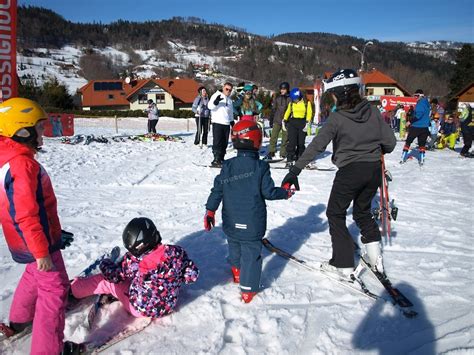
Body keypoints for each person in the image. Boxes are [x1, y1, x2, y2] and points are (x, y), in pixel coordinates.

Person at [281, 69, 396, 277]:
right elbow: (390, 143)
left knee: (335, 213)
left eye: (332, 94)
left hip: (350, 171)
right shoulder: (373, 111)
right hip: (372, 171)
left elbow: (317, 145)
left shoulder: (337, 118)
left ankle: (342, 264)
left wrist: (295, 170)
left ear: (340, 93)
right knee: (362, 212)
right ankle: (375, 258)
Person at [0, 98, 79, 354]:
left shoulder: (10, 156)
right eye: (39, 127)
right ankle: (48, 350)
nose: (44, 132)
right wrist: (41, 250)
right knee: (53, 291)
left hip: (31, 238)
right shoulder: (22, 164)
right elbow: (25, 213)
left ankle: (20, 320)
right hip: (34, 240)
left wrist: (53, 235)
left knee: (35, 274)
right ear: (22, 130)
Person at [204, 121, 294, 303]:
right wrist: (285, 192)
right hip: (252, 224)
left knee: (234, 245)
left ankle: (237, 272)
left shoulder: (227, 166)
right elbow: (268, 192)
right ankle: (248, 289)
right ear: (257, 141)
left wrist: (210, 211)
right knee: (251, 255)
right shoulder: (260, 167)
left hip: (230, 221)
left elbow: (217, 190)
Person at [71, 217, 199, 318]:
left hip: (139, 309)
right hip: (168, 305)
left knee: (106, 281)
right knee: (140, 278)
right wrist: (171, 278)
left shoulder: (134, 262)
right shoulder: (177, 253)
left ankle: (74, 289)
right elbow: (191, 275)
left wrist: (105, 263)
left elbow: (114, 276)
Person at [283, 88, 313, 167]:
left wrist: (308, 123)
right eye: (293, 99)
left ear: (299, 97)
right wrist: (284, 120)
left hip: (302, 123)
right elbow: (288, 111)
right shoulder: (291, 103)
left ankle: (300, 157)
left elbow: (309, 113)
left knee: (301, 143)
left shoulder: (306, 103)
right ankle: (290, 159)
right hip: (293, 123)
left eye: (296, 99)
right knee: (292, 142)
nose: (295, 100)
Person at [208, 82, 235, 167]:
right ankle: (216, 159)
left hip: (226, 124)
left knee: (225, 142)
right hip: (218, 122)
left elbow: (230, 113)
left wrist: (232, 122)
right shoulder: (216, 95)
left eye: (230, 90)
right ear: (223, 88)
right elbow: (210, 106)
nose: (228, 91)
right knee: (217, 142)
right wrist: (216, 102)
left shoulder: (230, 100)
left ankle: (221, 158)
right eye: (226, 89)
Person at [400, 89, 431, 165]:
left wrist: (410, 121)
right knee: (422, 144)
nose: (415, 97)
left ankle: (403, 157)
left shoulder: (420, 103)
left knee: (408, 141)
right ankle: (422, 159)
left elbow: (418, 115)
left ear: (421, 96)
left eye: (417, 96)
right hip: (425, 127)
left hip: (416, 126)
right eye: (414, 96)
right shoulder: (427, 103)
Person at [265, 82, 291, 160]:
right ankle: (271, 151)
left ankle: (283, 152)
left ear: (287, 89)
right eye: (281, 89)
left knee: (285, 137)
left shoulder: (290, 98)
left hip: (286, 121)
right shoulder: (277, 98)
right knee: (273, 136)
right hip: (277, 120)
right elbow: (273, 109)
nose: (282, 91)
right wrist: (271, 119)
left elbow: (291, 110)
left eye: (284, 89)